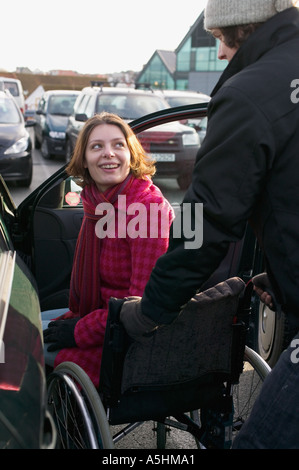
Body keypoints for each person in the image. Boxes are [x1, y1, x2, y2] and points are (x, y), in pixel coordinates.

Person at [119, 0, 299, 449]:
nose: (219, 53)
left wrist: (152, 310)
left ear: (241, 24)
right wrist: (281, 276)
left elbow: (204, 220)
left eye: (219, 38)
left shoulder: (249, 93)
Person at [43, 112, 174, 387]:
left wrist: (79, 330)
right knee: (23, 327)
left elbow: (141, 307)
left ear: (131, 154)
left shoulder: (146, 210)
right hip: (101, 319)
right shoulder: (96, 203)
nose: (108, 154)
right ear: (84, 159)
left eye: (118, 145)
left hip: (128, 340)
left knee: (24, 349)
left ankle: (62, 426)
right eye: (97, 146)